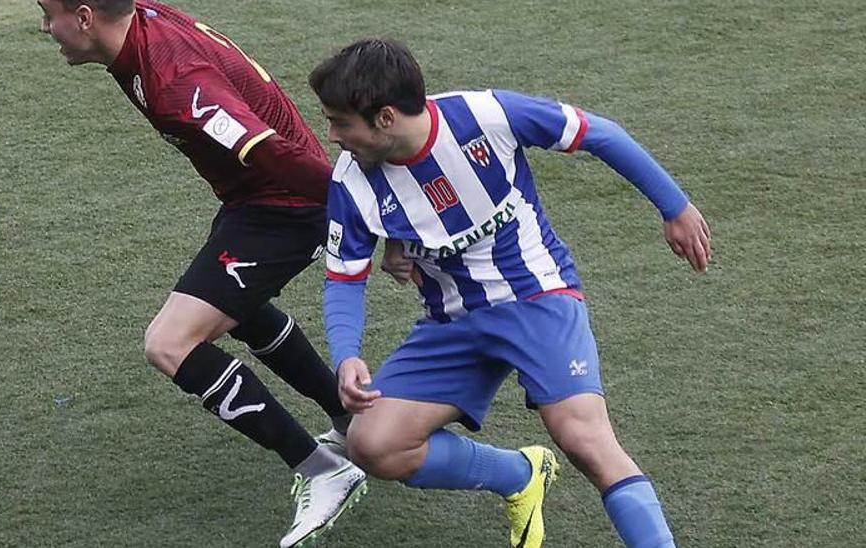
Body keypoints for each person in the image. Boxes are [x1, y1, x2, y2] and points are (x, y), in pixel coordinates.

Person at [311, 38, 710, 548]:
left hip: (536, 298)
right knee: (373, 444)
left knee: (584, 440)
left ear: (385, 118)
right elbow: (344, 278)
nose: (332, 136)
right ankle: (519, 475)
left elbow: (600, 134)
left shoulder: (484, 116)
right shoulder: (352, 182)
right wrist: (347, 356)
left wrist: (674, 207)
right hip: (452, 323)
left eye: (341, 122)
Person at [35, 1, 367, 546]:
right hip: (252, 203)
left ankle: (321, 470)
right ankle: (347, 420)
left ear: (87, 17)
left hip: (284, 208)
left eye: (50, 14)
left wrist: (356, 206)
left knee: (170, 343)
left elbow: (271, 152)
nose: (47, 28)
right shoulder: (143, 21)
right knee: (237, 309)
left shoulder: (173, 81)